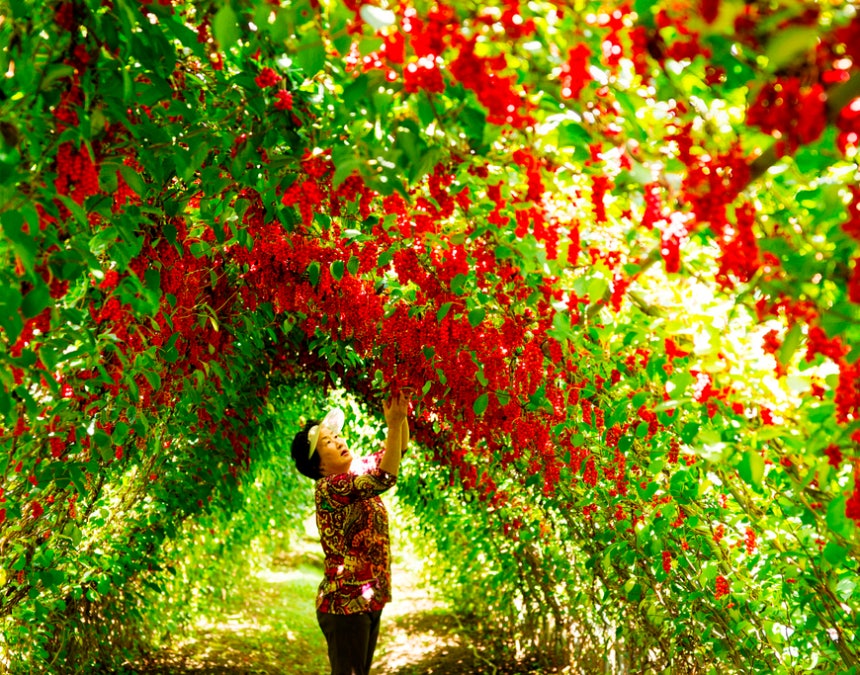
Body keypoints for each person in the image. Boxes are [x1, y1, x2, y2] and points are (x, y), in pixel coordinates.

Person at [290, 394, 410, 675]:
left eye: (337, 436)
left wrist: (401, 414)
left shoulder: (355, 473)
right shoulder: (329, 487)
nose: (340, 442)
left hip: (368, 598)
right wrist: (393, 425)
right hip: (345, 605)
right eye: (328, 443)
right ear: (318, 465)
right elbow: (385, 478)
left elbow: (397, 451)